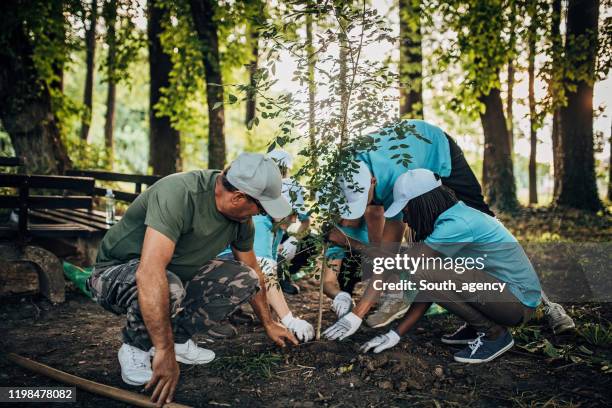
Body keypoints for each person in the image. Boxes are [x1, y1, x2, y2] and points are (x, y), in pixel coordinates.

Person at [323, 119, 574, 333]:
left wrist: (359, 312)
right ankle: (412, 293)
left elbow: (389, 252)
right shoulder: (343, 171)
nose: (349, 218)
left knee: (475, 220)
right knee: (429, 249)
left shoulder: (396, 175)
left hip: (434, 147)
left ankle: (542, 302)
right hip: (395, 162)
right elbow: (368, 225)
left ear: (374, 182)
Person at [86, 153, 298, 406]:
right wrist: (163, 354)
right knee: (168, 285)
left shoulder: (241, 219)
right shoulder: (180, 194)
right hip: (114, 274)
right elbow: (150, 272)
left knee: (244, 278)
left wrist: (269, 322)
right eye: (261, 207)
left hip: (171, 276)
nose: (261, 214)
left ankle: (176, 339)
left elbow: (252, 268)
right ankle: (136, 347)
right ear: (238, 197)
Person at [325, 169, 542, 363]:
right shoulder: (451, 219)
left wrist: (349, 242)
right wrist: (396, 334)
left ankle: (493, 334)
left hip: (516, 303)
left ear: (423, 203)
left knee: (421, 268)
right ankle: (477, 326)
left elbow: (407, 265)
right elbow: (430, 287)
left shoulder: (456, 224)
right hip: (503, 297)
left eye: (407, 210)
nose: (406, 218)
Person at [218, 177, 315, 342]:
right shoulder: (260, 223)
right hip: (214, 270)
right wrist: (289, 319)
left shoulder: (275, 227)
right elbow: (265, 277)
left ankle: (227, 310)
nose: (294, 220)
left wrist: (275, 318)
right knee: (250, 275)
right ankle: (214, 316)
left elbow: (270, 274)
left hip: (229, 267)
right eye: (291, 214)